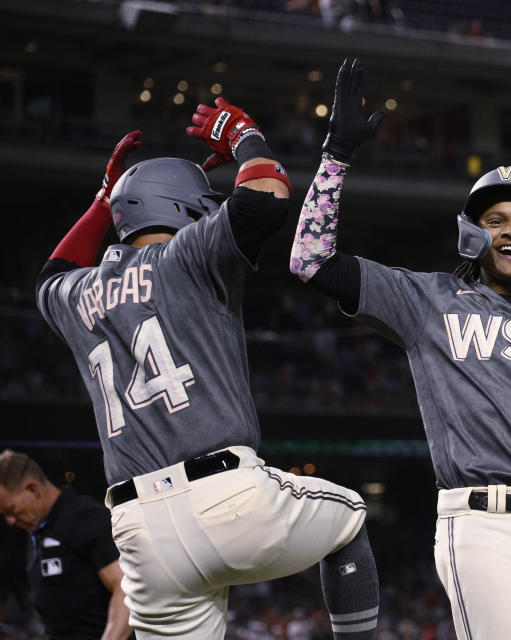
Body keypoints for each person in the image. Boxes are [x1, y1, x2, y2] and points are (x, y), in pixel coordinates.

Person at [289, 58, 511, 640]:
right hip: (481, 529)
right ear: (472, 233)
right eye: (496, 219)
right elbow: (310, 260)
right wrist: (336, 157)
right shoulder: (428, 300)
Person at [35, 100, 379, 639]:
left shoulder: (76, 295)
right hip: (226, 496)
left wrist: (105, 201)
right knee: (351, 517)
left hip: (137, 530)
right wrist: (244, 135)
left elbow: (52, 272)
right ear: (180, 209)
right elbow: (264, 197)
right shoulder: (187, 255)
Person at [0, 450, 132, 640]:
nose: (9, 521)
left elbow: (125, 589)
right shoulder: (37, 531)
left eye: (11, 510)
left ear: (32, 489)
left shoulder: (84, 518)